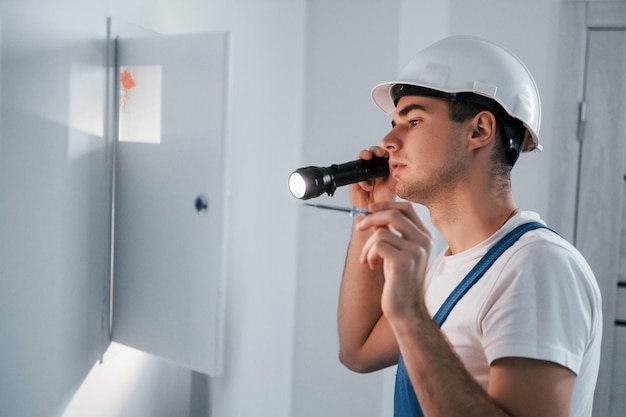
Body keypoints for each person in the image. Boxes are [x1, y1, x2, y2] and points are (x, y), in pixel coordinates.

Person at [337, 36, 602, 417]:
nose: (388, 141)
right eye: (393, 124)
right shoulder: (446, 270)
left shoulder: (537, 268)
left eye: (413, 120)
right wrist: (367, 217)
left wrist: (411, 312)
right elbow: (357, 350)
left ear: (479, 130)